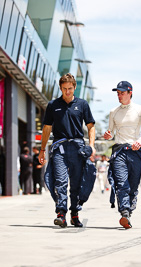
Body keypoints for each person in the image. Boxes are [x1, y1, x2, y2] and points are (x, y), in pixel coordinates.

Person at [38, 73, 95, 228]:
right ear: (60, 88)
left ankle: (74, 215)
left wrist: (91, 145)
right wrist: (42, 150)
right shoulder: (53, 105)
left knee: (76, 184)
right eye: (64, 89)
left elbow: (91, 126)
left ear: (75, 87)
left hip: (78, 149)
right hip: (59, 149)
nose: (68, 92)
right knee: (61, 182)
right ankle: (61, 214)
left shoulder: (82, 104)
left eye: (70, 88)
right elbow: (47, 128)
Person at [104, 81, 141, 229]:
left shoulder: (140, 109)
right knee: (121, 183)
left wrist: (140, 141)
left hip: (135, 151)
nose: (119, 95)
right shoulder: (113, 112)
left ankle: (129, 212)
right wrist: (107, 135)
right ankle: (124, 212)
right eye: (117, 93)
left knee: (133, 186)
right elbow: (110, 133)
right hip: (119, 152)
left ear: (130, 93)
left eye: (122, 93)